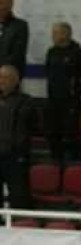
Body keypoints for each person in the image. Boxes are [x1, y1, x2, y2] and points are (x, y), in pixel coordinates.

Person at [44, 22, 81, 165]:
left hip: (71, 103)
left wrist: (76, 91)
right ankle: (55, 164)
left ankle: (73, 166)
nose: (52, 36)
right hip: (53, 101)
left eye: (56, 33)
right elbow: (48, 73)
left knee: (70, 136)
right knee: (52, 134)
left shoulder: (78, 53)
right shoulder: (51, 52)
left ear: (66, 34)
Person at [0, 64, 31, 210]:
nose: (1, 81)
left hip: (15, 156)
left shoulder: (25, 101)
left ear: (15, 80)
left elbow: (31, 126)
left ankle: (22, 221)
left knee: (19, 196)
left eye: (5, 77)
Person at [0, 0, 28, 79]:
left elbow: (17, 55)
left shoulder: (20, 26)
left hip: (9, 77)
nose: (1, 7)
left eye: (2, 3)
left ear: (11, 4)